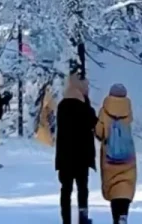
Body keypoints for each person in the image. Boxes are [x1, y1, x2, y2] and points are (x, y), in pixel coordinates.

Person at [56, 72, 97, 224]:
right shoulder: (84, 106)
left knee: (65, 189)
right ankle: (83, 217)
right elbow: (94, 124)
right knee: (82, 189)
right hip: (81, 155)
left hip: (64, 155)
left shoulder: (62, 106)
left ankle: (66, 219)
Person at [95, 83, 137, 224]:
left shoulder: (105, 111)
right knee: (125, 185)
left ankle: (116, 219)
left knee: (114, 189)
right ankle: (123, 216)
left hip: (110, 158)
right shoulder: (128, 111)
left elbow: (100, 133)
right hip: (128, 157)